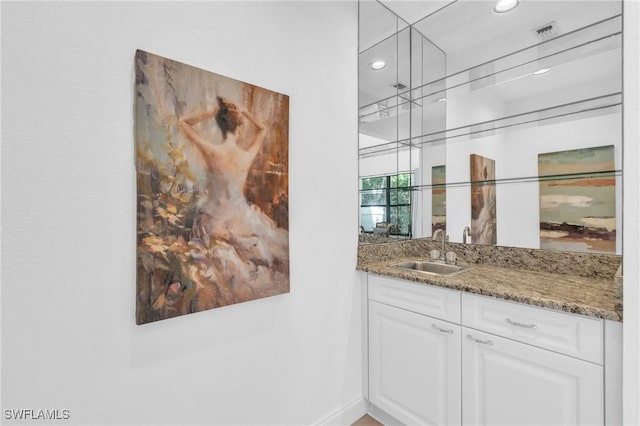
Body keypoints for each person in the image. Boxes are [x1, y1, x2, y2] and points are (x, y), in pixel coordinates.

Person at [178, 97, 288, 269]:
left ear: (220, 126)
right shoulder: (246, 156)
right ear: (239, 128)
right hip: (242, 219)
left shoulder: (212, 152)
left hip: (215, 221)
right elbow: (262, 129)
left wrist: (210, 112)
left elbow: (182, 122)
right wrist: (244, 111)